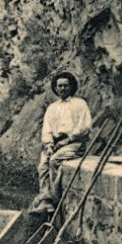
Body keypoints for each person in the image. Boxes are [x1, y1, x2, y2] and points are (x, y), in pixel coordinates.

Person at [31, 70, 91, 212]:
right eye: (60, 86)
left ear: (71, 87)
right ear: (56, 88)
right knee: (44, 162)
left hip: (75, 143)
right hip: (56, 143)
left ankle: (55, 199)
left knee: (55, 160)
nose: (62, 88)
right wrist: (49, 144)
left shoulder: (79, 104)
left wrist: (69, 139)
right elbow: (47, 129)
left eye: (65, 85)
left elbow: (84, 127)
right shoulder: (52, 108)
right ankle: (45, 198)